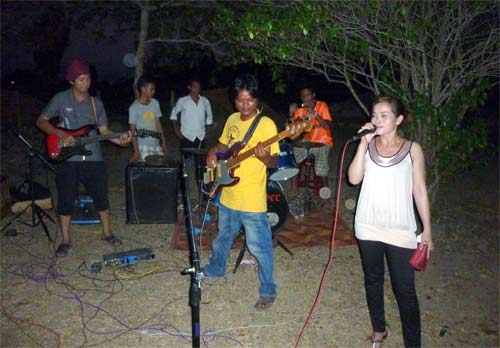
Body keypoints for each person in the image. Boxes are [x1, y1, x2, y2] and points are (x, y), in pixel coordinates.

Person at [347, 96, 434, 348]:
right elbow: (353, 178)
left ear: (398, 119)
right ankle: (379, 330)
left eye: (384, 115)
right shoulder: (368, 145)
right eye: (374, 115)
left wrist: (426, 230)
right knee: (372, 280)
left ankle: (413, 344)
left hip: (400, 230)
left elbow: (419, 190)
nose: (377, 120)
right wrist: (363, 144)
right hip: (367, 226)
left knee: (404, 290)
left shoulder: (412, 149)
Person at [36, 59, 130, 257]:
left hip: (93, 157)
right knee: (66, 198)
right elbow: (41, 121)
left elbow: (104, 130)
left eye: (87, 78)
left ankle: (107, 232)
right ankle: (66, 240)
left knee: (101, 195)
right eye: (80, 79)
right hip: (67, 159)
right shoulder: (60, 99)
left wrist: (119, 140)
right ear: (71, 81)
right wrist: (61, 135)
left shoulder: (96, 104)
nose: (85, 82)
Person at [203, 74, 279, 310]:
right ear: (234, 100)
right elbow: (224, 145)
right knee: (222, 238)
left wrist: (264, 156)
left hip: (252, 200)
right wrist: (212, 153)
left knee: (261, 247)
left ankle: (268, 290)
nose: (245, 106)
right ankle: (216, 268)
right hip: (228, 195)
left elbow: (274, 162)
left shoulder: (267, 125)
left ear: (257, 99)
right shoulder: (232, 119)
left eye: (250, 100)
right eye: (240, 100)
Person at [289, 86, 332, 182]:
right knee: (292, 159)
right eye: (303, 96)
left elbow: (327, 127)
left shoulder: (322, 106)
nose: (305, 98)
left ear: (313, 95)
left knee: (320, 168)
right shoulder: (301, 111)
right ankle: (295, 187)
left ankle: (325, 192)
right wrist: (291, 114)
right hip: (308, 142)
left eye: (307, 95)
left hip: (323, 142)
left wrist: (315, 114)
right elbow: (291, 131)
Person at [128, 75, 168, 162]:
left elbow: (158, 124)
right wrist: (136, 150)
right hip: (142, 146)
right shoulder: (134, 108)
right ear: (143, 89)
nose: (154, 91)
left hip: (156, 145)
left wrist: (163, 142)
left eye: (154, 89)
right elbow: (132, 131)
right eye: (151, 89)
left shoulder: (155, 103)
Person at [170, 78, 213, 151]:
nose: (196, 89)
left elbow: (209, 117)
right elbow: (173, 115)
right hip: (186, 135)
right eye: (194, 87)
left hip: (201, 136)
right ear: (189, 87)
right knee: (186, 160)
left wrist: (207, 131)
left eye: (198, 87)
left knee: (199, 160)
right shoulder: (182, 101)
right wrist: (176, 130)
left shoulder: (205, 101)